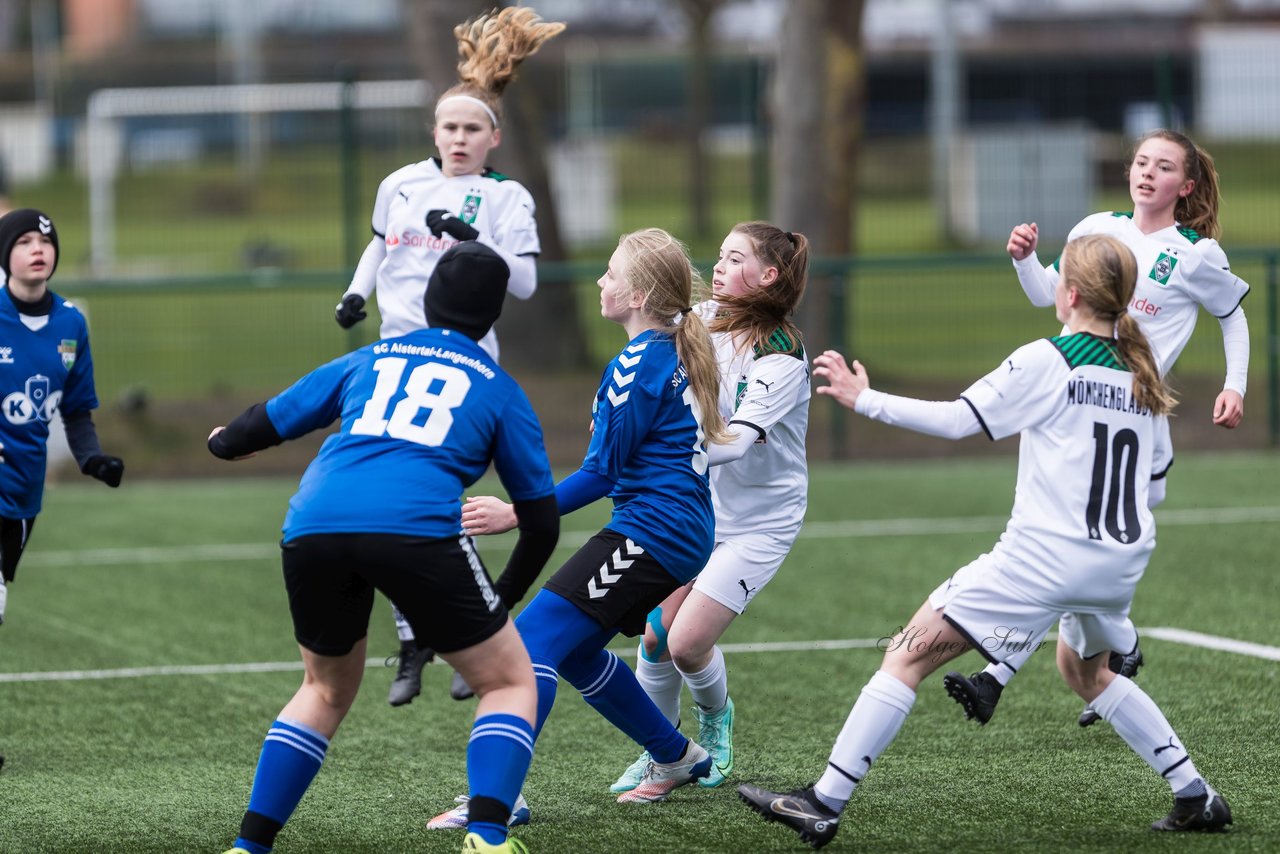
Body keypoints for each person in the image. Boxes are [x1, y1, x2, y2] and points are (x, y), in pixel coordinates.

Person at [738, 235, 1232, 848]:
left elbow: (956, 421)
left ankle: (821, 802)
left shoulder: (1048, 359)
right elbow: (1153, 488)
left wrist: (865, 399)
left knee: (907, 652)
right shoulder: (1142, 375)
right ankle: (1196, 795)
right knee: (1085, 673)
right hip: (1119, 566)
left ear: (1069, 293)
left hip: (1043, 561)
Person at [213, 242, 560, 854]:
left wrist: (222, 442)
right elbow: (540, 522)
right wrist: (501, 599)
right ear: (493, 315)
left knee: (322, 689)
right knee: (508, 682)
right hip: (415, 530)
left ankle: (250, 846)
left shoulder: (369, 358)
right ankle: (486, 839)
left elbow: (261, 423)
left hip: (313, 523)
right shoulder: (500, 389)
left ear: (427, 301)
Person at [427, 227, 730, 831]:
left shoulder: (638, 364)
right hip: (672, 526)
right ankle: (675, 755)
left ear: (640, 294)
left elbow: (600, 471)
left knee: (530, 645)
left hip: (655, 532)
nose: (600, 281)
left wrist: (516, 512)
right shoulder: (671, 348)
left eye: (611, 272)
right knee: (577, 652)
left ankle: (497, 798)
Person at [949, 129, 1252, 729]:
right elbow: (1050, 297)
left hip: (1137, 418)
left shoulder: (1195, 253)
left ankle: (1019, 666)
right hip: (1078, 406)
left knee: (1083, 543)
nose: (1147, 173)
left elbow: (1232, 316)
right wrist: (1025, 260)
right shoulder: (1097, 228)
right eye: (1141, 162)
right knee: (1080, 542)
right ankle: (1105, 644)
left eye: (1163, 167)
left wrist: (1234, 384)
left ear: (1185, 185)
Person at [331, 6, 566, 708]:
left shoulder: (505, 197)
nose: (460, 138)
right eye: (449, 127)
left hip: (463, 368)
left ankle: (465, 640)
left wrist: (473, 237)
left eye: (473, 128)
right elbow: (379, 244)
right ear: (432, 133)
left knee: (438, 503)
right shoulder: (401, 184)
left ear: (494, 137)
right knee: (397, 502)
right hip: (393, 356)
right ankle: (416, 642)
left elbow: (521, 282)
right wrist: (353, 292)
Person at [608, 222, 811, 794]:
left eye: (734, 258)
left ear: (767, 277)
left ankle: (715, 729)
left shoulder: (782, 353)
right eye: (718, 255)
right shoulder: (695, 320)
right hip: (700, 509)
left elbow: (739, 441)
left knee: (687, 643)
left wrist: (657, 458)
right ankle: (663, 754)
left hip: (760, 523)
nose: (717, 267)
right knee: (653, 637)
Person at [0, 208, 124, 630]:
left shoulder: (71, 323)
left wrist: (93, 459)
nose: (38, 250)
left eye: (46, 242)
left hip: (22, 487)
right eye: (24, 242)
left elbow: (76, 411)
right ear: (4, 255)